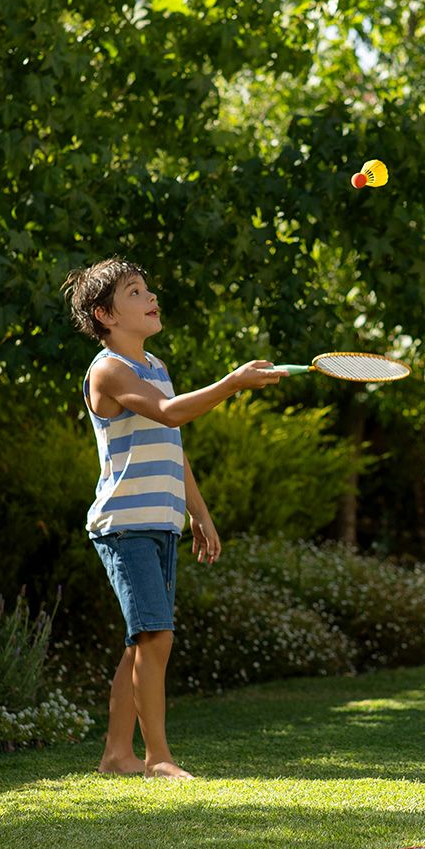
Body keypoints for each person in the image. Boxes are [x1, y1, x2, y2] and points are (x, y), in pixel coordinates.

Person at [62, 257, 287, 778]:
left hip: (159, 521)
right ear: (106, 314)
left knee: (141, 639)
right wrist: (231, 382)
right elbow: (169, 412)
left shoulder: (155, 367)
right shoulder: (108, 368)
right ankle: (158, 758)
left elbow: (172, 441)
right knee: (155, 637)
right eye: (135, 292)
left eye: (147, 289)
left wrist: (199, 512)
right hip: (124, 524)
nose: (150, 298)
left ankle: (117, 755)